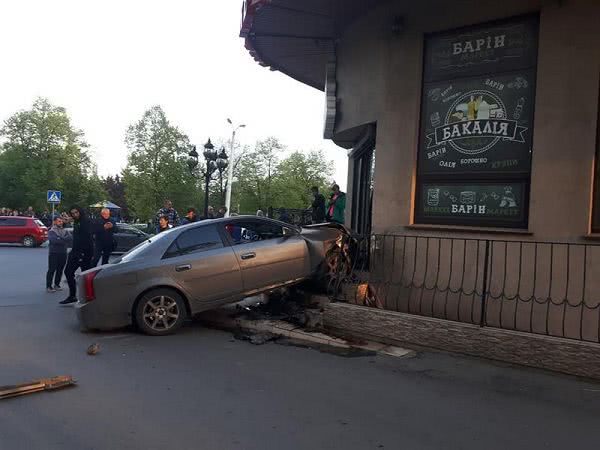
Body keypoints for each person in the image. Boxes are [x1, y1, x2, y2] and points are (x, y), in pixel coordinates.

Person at [60, 207, 94, 305]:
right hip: (76, 251)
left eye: (76, 212)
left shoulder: (85, 222)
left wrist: (82, 254)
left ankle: (85, 296)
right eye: (73, 213)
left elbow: (88, 239)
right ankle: (73, 296)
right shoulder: (77, 221)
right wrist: (69, 219)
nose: (75, 214)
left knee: (84, 275)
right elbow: (75, 220)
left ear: (80, 212)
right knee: (71, 272)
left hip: (83, 253)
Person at [46, 215, 72, 293]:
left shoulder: (65, 230)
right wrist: (64, 240)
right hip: (54, 253)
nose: (60, 223)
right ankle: (49, 286)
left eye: (61, 221)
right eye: (59, 221)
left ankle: (57, 284)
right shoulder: (51, 231)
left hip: (63, 252)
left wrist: (60, 239)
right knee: (52, 270)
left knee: (60, 270)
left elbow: (70, 238)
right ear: (54, 222)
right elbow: (54, 241)